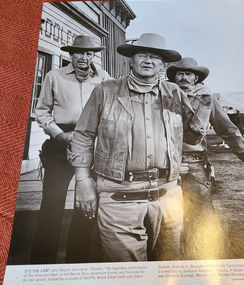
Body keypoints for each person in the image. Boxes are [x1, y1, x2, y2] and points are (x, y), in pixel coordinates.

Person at [68, 33, 204, 262]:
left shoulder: (175, 94)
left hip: (168, 195)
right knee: (128, 275)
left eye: (155, 57)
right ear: (131, 60)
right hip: (120, 197)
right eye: (143, 55)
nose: (148, 61)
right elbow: (83, 135)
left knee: (168, 272)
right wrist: (82, 181)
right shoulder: (105, 91)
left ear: (162, 64)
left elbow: (192, 138)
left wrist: (204, 109)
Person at [166, 57, 244, 259]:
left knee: (200, 221)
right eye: (179, 73)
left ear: (196, 77)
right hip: (163, 166)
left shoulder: (207, 98)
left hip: (195, 166)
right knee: (166, 221)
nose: (183, 77)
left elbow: (229, 131)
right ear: (173, 77)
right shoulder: (164, 95)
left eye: (188, 73)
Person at [31, 35, 111, 264]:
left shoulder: (104, 78)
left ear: (93, 55)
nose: (84, 58)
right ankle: (41, 263)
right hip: (60, 144)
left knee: (86, 206)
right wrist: (59, 134)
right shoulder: (53, 76)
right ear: (71, 55)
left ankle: (77, 262)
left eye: (88, 53)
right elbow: (42, 111)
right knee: (52, 204)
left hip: (92, 146)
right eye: (78, 53)